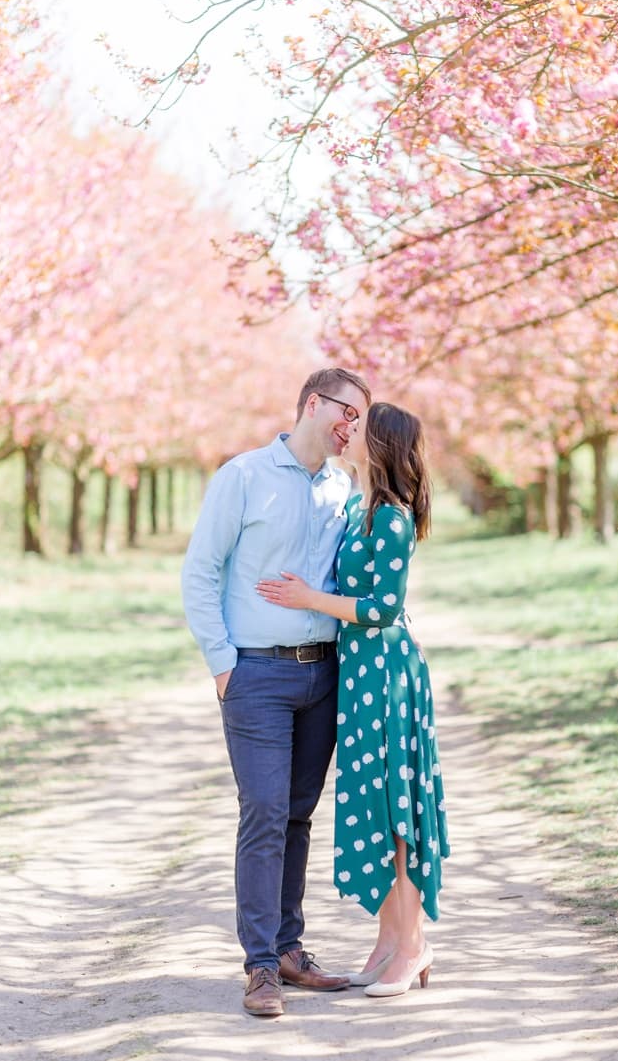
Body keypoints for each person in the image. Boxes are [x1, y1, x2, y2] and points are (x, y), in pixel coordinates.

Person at [181, 367, 372, 1016]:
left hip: (323, 674)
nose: (352, 426)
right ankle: (259, 965)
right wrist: (222, 662)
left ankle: (290, 949)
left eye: (360, 419)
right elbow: (200, 570)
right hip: (256, 675)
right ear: (312, 404)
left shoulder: (342, 488)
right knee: (262, 811)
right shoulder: (242, 476)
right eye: (346, 412)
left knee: (296, 815)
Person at [256, 402, 450, 999]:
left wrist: (308, 598)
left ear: (382, 445)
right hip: (359, 675)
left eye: (359, 429)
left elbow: (381, 609)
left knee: (396, 811)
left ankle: (413, 943)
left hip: (388, 675)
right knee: (372, 804)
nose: (349, 432)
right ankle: (390, 941)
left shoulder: (391, 518)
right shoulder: (361, 507)